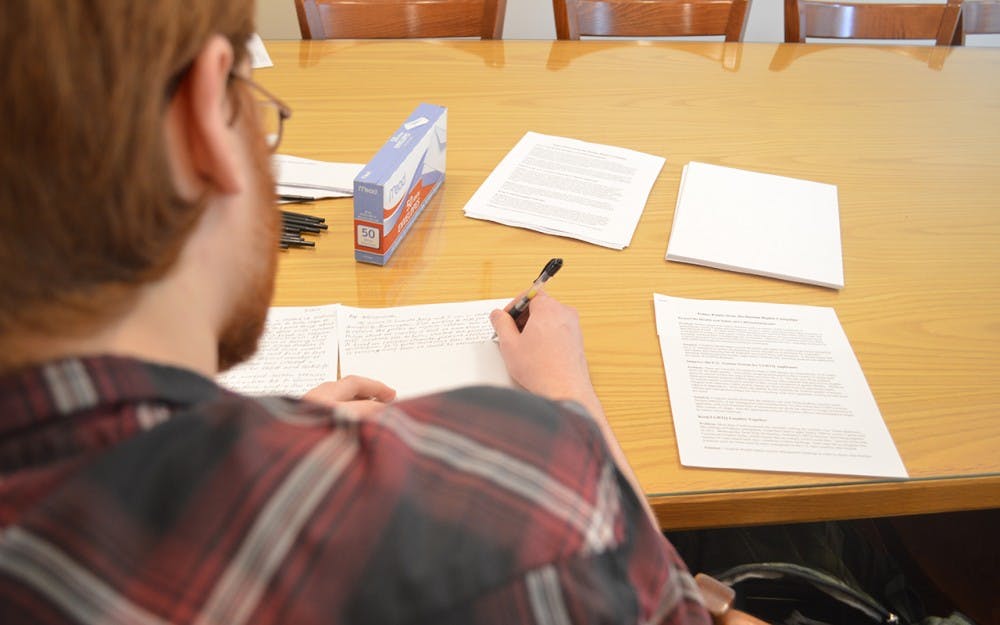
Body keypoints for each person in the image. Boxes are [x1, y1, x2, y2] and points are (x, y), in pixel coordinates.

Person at [0, 2, 763, 623]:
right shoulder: (539, 496)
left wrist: (260, 438)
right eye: (258, 112)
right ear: (207, 117)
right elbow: (655, 593)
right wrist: (571, 397)